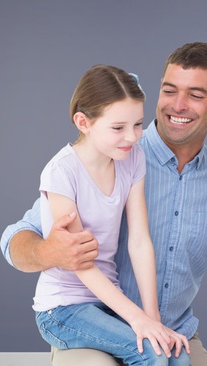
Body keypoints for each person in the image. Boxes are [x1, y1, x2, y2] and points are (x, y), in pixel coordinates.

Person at [0, 42, 207, 366]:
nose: (179, 105)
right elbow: (18, 235)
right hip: (85, 316)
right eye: (170, 91)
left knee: (173, 357)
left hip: (168, 325)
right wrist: (49, 251)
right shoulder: (106, 151)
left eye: (196, 95)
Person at [32, 64, 189, 365]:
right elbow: (80, 261)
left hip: (106, 301)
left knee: (176, 355)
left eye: (137, 124)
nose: (131, 137)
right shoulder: (62, 172)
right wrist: (137, 319)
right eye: (118, 128)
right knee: (154, 355)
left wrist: (152, 318)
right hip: (63, 309)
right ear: (83, 122)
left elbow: (140, 241)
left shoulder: (132, 159)